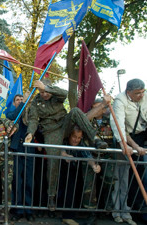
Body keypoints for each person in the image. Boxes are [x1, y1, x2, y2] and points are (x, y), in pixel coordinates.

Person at [25, 79, 100, 212]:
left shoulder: (55, 94)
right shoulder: (36, 102)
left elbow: (64, 93)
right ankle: (51, 196)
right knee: (53, 161)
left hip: (64, 124)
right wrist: (30, 133)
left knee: (76, 111)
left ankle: (95, 138)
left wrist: (47, 88)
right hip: (51, 131)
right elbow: (32, 119)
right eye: (41, 92)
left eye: (45, 91)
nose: (44, 94)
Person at [109, 78, 145, 225]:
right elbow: (118, 124)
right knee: (121, 179)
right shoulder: (119, 101)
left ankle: (129, 211)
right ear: (128, 92)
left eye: (143, 92)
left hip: (142, 136)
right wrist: (125, 144)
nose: (141, 95)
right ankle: (118, 211)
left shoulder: (145, 96)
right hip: (125, 138)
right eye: (138, 93)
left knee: (139, 178)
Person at [60, 125, 101, 225]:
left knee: (75, 186)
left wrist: (94, 165)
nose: (76, 140)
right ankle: (67, 216)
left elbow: (87, 156)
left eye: (79, 138)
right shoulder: (63, 140)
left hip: (75, 169)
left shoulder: (81, 144)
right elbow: (59, 150)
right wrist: (65, 155)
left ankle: (72, 214)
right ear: (69, 135)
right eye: (74, 137)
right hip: (60, 168)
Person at [5, 91, 35, 222]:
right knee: (17, 181)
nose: (20, 100)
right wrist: (23, 104)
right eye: (18, 99)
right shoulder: (10, 113)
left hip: (29, 149)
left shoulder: (31, 112)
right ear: (14, 102)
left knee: (29, 180)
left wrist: (26, 105)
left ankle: (28, 210)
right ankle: (17, 210)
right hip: (17, 148)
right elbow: (14, 116)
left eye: (22, 99)